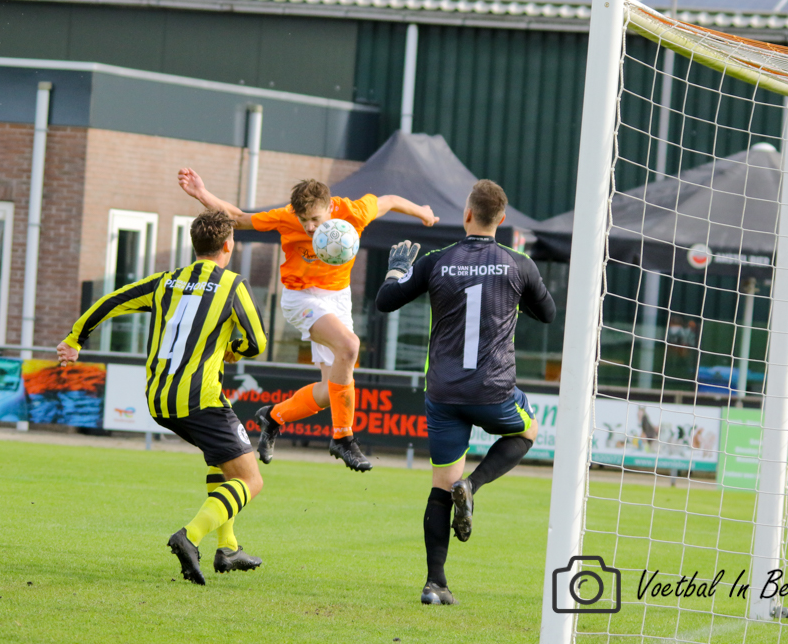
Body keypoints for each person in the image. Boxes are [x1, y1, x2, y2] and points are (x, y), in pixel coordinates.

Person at [56, 209, 268, 585]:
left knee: (223, 462)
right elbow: (257, 342)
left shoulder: (165, 281)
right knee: (251, 481)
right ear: (228, 245)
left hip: (159, 400)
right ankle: (190, 537)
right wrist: (233, 347)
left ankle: (229, 547)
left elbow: (112, 300)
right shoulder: (233, 285)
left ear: (194, 245)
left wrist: (75, 339)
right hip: (199, 399)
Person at [178, 168, 439, 472]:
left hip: (338, 297)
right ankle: (343, 438)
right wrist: (201, 193)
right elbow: (239, 217)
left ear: (331, 207)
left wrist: (422, 212)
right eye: (304, 221)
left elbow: (390, 200)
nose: (310, 227)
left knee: (330, 390)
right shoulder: (286, 216)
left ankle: (273, 416)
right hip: (301, 298)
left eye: (315, 219)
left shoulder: (353, 212)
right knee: (350, 346)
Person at [374, 179, 556, 605]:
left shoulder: (437, 261)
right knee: (528, 431)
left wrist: (396, 271)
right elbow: (547, 314)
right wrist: (517, 294)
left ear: (467, 214)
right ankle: (473, 485)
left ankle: (435, 584)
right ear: (502, 219)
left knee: (441, 486)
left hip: (443, 394)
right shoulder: (518, 263)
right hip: (493, 391)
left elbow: (384, 301)